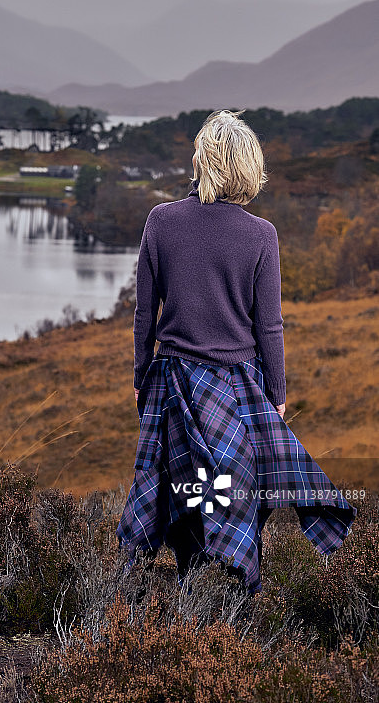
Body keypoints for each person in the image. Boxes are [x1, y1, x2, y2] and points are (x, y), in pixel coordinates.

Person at [117, 109, 356, 595]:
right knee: (238, 493)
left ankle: (189, 587)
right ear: (248, 168)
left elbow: (145, 314)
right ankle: (232, 602)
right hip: (238, 388)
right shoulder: (260, 234)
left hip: (172, 382)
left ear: (203, 161)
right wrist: (278, 393)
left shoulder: (160, 222)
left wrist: (142, 378)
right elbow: (269, 326)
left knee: (177, 488)